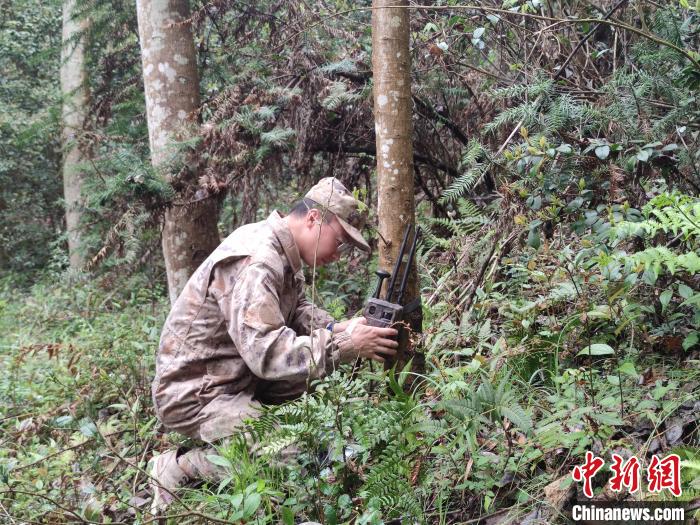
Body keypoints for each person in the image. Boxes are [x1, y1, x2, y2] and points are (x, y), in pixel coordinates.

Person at [149, 177, 399, 510]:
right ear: (313, 219)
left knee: (308, 385)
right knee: (289, 456)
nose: (338, 256)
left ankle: (247, 430)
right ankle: (178, 467)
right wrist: (344, 346)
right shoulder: (259, 260)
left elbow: (294, 310)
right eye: (339, 242)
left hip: (234, 376)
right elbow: (267, 353)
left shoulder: (281, 249)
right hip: (195, 392)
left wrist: (337, 328)